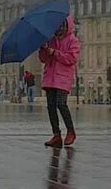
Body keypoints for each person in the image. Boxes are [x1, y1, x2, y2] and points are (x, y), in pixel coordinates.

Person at [39, 14, 80, 148]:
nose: (59, 30)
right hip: (50, 77)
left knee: (61, 103)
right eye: (56, 28)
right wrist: (43, 49)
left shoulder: (72, 41)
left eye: (61, 27)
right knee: (51, 107)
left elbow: (71, 59)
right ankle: (56, 134)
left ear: (66, 27)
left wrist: (54, 53)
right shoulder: (50, 40)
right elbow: (43, 59)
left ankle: (70, 131)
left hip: (63, 78)